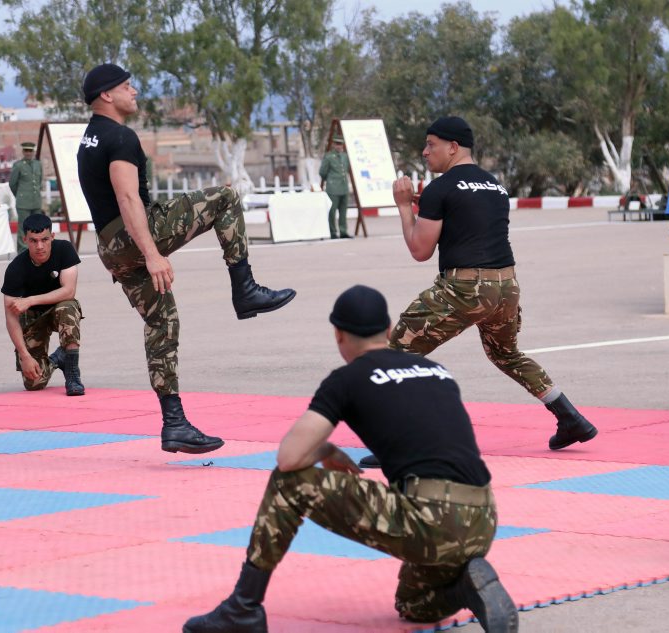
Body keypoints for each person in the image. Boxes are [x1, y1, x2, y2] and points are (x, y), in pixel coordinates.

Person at [184, 285, 518, 633]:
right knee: (414, 604)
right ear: (388, 330)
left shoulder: (348, 379)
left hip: (429, 520)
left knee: (289, 483)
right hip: (483, 519)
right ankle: (466, 586)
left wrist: (325, 449)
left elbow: (288, 458)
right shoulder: (435, 370)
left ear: (338, 335)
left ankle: (243, 606)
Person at [76, 63, 296, 455]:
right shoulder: (120, 136)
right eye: (127, 86)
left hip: (110, 248)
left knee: (162, 322)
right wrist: (153, 254)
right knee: (224, 198)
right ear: (107, 95)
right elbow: (127, 198)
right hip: (134, 236)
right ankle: (245, 290)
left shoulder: (89, 138)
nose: (135, 91)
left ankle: (174, 423)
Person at [373, 115, 597, 468]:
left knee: (397, 352)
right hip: (506, 287)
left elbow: (419, 249)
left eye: (431, 144)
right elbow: (468, 219)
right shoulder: (495, 186)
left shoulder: (441, 189)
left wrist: (404, 206)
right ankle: (570, 417)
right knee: (506, 354)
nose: (425, 151)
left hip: (465, 287)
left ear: (453, 147)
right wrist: (426, 204)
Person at [1, 213, 85, 396]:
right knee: (34, 383)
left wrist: (30, 300)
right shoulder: (16, 268)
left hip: (58, 311)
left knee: (68, 306)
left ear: (52, 237)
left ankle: (73, 376)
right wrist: (25, 356)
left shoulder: (64, 250)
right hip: (32, 319)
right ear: (25, 240)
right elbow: (11, 317)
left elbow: (69, 291)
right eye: (33, 241)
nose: (40, 246)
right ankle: (57, 359)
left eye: (44, 239)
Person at [9, 141, 44, 253]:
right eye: (26, 150)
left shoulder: (38, 164)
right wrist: (20, 195)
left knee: (37, 226)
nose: (28, 153)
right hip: (23, 202)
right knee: (23, 227)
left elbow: (40, 181)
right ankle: (23, 250)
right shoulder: (18, 165)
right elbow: (12, 184)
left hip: (36, 201)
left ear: (33, 152)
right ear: (23, 152)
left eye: (30, 151)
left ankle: (36, 249)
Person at [318, 136, 351, 239]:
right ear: (333, 145)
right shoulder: (329, 157)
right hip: (333, 188)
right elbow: (322, 172)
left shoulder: (345, 156)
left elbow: (347, 169)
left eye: (340, 144)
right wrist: (330, 180)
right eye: (337, 144)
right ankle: (333, 232)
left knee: (343, 211)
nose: (338, 146)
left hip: (344, 187)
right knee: (332, 212)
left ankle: (343, 231)